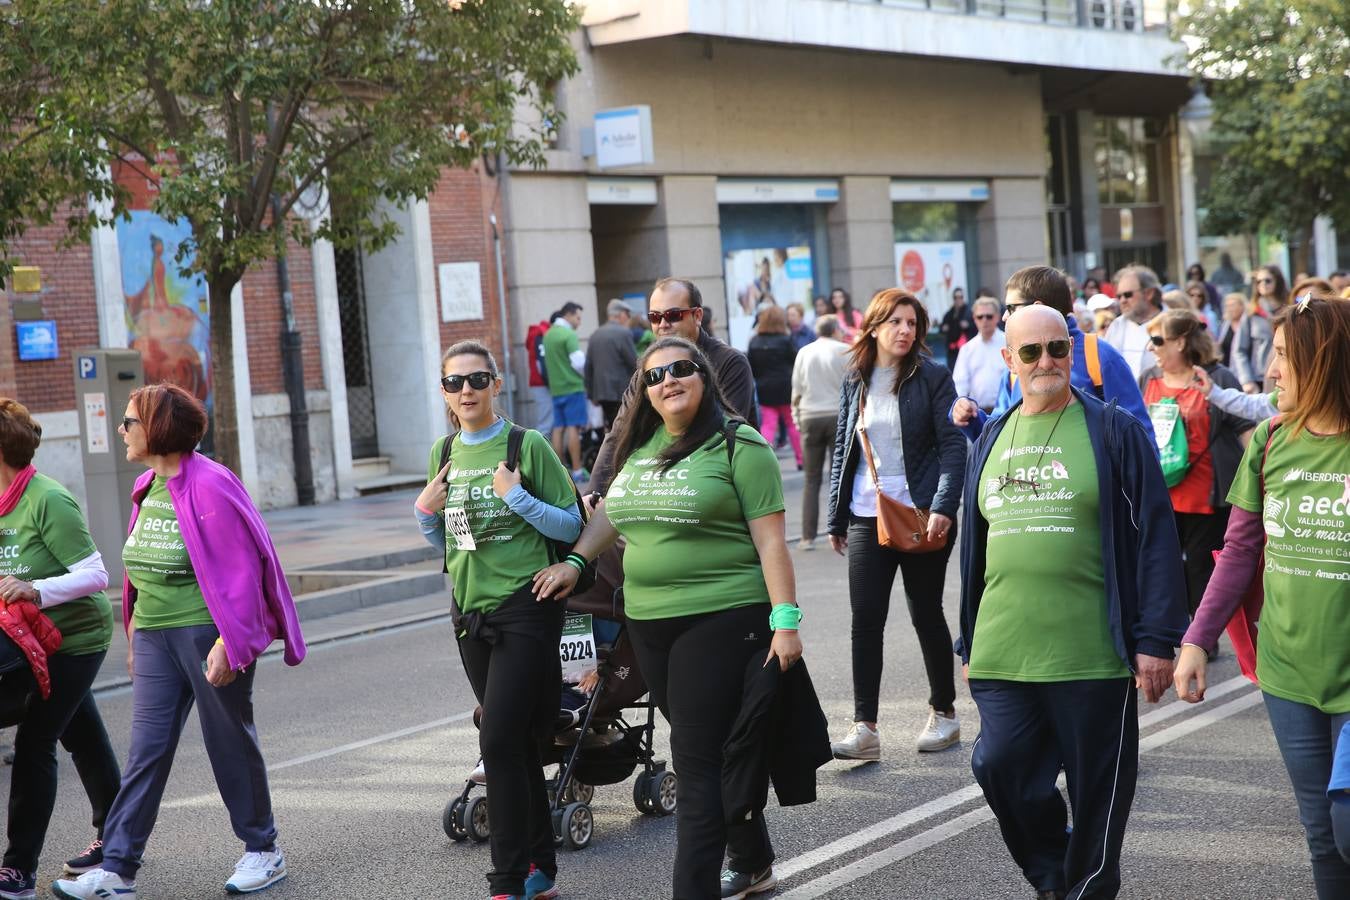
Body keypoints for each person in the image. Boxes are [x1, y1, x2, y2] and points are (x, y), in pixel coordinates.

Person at [534, 337, 804, 900]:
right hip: (651, 626)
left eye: (681, 370)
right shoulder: (642, 447)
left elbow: (772, 541)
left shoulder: (739, 444)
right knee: (714, 749)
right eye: (655, 376)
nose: (668, 381)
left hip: (723, 619)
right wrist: (579, 560)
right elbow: (613, 512)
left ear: (703, 376)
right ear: (644, 391)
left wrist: (786, 622)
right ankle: (752, 855)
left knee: (696, 765)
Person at [959, 305, 1188, 900]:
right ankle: (1053, 879)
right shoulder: (990, 436)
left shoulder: (1114, 431)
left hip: (1092, 656)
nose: (1046, 362)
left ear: (1072, 350)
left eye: (1057, 348)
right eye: (1030, 352)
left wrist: (1157, 638)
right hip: (1003, 652)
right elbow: (975, 552)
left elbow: (1156, 539)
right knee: (998, 767)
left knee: (1097, 802)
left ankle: (1083, 889)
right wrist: (967, 636)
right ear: (1008, 360)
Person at [54, 384, 306, 900]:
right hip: (154, 634)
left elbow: (243, 573)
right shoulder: (147, 484)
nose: (122, 430)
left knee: (228, 741)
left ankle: (263, 850)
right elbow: (140, 570)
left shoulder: (212, 485)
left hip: (206, 634)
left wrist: (230, 643)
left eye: (130, 421)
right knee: (147, 750)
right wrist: (136, 631)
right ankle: (118, 869)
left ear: (158, 428)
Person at [1174, 296, 1350, 898]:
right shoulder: (1270, 442)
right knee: (1321, 836)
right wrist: (1197, 638)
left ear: (1322, 362)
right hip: (1288, 671)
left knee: (1347, 825)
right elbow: (1240, 551)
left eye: (1282, 357)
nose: (1270, 372)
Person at [412, 340, 581, 900]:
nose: (467, 391)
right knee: (519, 745)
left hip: (526, 608)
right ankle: (542, 870)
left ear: (496, 385)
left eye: (478, 380)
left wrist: (520, 501)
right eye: (456, 383)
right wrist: (423, 515)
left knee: (499, 738)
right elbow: (451, 543)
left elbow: (572, 527)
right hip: (469, 614)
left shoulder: (524, 445)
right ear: (443, 393)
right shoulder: (443, 453)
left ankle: (506, 881)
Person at [827, 288, 966, 760]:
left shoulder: (932, 377)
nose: (905, 331)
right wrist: (837, 515)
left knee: (925, 611)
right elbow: (842, 448)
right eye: (895, 322)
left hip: (924, 512)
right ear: (873, 327)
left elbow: (952, 446)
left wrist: (946, 506)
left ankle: (944, 714)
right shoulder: (856, 379)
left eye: (912, 323)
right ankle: (865, 728)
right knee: (865, 621)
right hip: (868, 514)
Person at [0, 400, 120, 900]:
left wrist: (35, 590)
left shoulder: (47, 498)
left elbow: (97, 574)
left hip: (75, 637)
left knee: (36, 739)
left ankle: (18, 869)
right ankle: (120, 837)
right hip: (24, 637)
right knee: (83, 733)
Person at [589, 277, 758, 495]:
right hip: (667, 486)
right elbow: (620, 433)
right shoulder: (647, 369)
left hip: (723, 487)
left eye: (673, 315)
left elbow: (725, 433)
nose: (662, 324)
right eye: (655, 317)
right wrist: (593, 494)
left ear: (697, 316)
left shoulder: (730, 362)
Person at [951, 266, 1154, 446]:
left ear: (1038, 306)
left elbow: (1139, 436)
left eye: (1011, 308)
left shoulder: (1101, 356)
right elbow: (999, 437)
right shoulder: (1015, 365)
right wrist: (971, 417)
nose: (1004, 317)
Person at [1138, 310, 1254, 616]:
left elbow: (1247, 431)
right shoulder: (1148, 378)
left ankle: (1202, 639)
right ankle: (1170, 629)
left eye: (1157, 340)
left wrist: (1259, 480)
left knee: (1203, 569)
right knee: (1163, 566)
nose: (1151, 348)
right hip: (1161, 494)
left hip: (1207, 495)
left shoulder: (1217, 378)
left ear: (1180, 342)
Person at [791, 315, 848, 551]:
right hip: (838, 416)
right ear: (835, 329)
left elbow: (797, 389)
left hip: (810, 416)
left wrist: (797, 418)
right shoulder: (846, 351)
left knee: (811, 479)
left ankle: (807, 536)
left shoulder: (804, 352)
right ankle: (843, 529)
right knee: (842, 476)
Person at [748, 306, 802, 470]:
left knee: (768, 425)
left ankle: (765, 462)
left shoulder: (755, 341)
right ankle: (801, 461)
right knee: (792, 424)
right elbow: (795, 361)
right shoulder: (785, 340)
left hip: (765, 387)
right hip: (786, 386)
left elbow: (752, 366)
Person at [543, 302, 590, 483]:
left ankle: (560, 468)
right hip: (572, 387)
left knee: (558, 428)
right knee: (573, 428)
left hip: (556, 389)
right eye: (578, 317)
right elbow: (578, 362)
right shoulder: (568, 335)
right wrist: (588, 376)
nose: (579, 322)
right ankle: (577, 470)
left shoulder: (548, 335)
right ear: (569, 315)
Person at [1233, 264, 1289, 394]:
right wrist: (1247, 380)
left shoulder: (1290, 309)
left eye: (1267, 280)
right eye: (1258, 281)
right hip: (1259, 379)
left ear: (1278, 281)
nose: (1263, 284)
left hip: (1286, 375)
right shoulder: (1252, 313)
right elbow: (1239, 350)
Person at [584, 299, 638, 431]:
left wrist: (591, 393)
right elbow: (634, 362)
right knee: (625, 427)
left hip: (602, 393)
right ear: (620, 315)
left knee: (613, 426)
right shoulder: (623, 333)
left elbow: (588, 367)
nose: (628, 318)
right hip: (621, 391)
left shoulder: (595, 334)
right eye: (627, 314)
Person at [1105, 264, 1165, 379]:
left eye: (1128, 295)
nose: (1122, 301)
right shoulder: (1117, 326)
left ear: (1149, 294)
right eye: (1119, 296)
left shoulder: (1171, 322)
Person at [952, 296, 1007, 413]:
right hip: (977, 413)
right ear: (974, 318)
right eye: (980, 317)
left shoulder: (1008, 343)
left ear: (997, 317)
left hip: (1007, 412)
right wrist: (961, 407)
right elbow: (960, 385)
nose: (984, 320)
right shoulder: (967, 349)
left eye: (989, 316)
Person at [524, 318, 555, 434]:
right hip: (542, 383)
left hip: (538, 382)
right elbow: (541, 363)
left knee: (546, 421)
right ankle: (538, 452)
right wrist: (549, 383)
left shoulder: (537, 333)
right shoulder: (541, 334)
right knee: (546, 423)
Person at [939, 287, 977, 371]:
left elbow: (976, 326)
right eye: (956, 297)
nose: (958, 300)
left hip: (966, 348)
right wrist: (944, 328)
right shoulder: (950, 313)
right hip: (952, 350)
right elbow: (941, 327)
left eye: (961, 297)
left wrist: (968, 325)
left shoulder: (969, 312)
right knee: (953, 371)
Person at [1216, 292, 1246, 369]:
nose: (1229, 309)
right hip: (1228, 367)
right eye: (1227, 306)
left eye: (1232, 305)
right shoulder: (1224, 326)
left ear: (1242, 306)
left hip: (1244, 369)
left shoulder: (1249, 324)